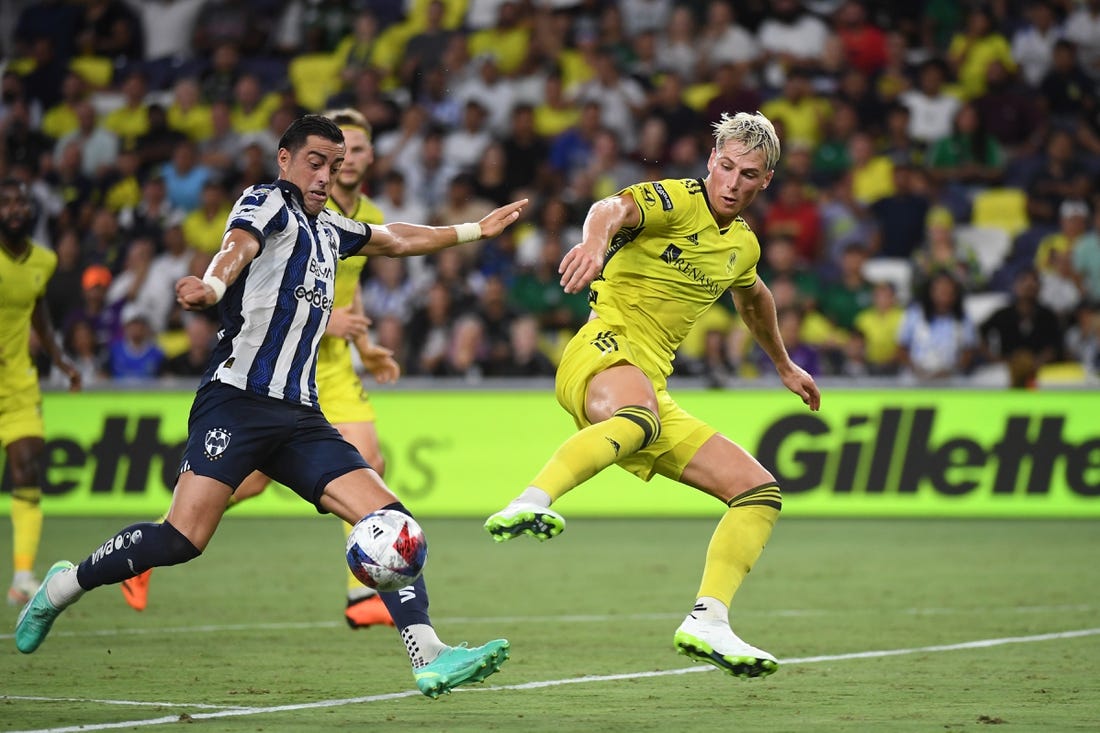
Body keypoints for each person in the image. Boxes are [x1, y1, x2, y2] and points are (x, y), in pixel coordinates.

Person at [15, 115, 527, 699]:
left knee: (392, 522)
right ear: (284, 159)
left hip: (300, 416)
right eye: (315, 162)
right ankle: (65, 585)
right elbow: (236, 248)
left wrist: (473, 231)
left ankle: (428, 654)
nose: (325, 175)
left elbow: (394, 239)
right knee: (181, 540)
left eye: (333, 167)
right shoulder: (266, 203)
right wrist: (211, 287)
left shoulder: (331, 228)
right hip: (235, 403)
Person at [484, 112, 820, 679]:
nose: (733, 183)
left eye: (749, 174)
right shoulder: (678, 200)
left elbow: (754, 298)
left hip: (648, 390)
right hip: (600, 350)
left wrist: (784, 365)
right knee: (637, 415)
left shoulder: (742, 245)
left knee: (758, 491)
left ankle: (708, 619)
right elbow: (611, 209)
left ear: (766, 182)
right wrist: (594, 243)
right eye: (727, 167)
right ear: (711, 162)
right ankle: (532, 500)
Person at [119, 108, 404, 630]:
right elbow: (245, 256)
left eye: (361, 151)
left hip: (330, 369)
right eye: (348, 150)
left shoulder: (363, 213)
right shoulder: (284, 203)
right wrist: (213, 287)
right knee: (245, 485)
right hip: (269, 370)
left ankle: (364, 592)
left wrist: (367, 345)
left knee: (370, 464)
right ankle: (150, 548)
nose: (355, 160)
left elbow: (349, 291)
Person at [1, 179, 82, 605]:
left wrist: (61, 359)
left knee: (28, 467)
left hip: (17, 382)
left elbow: (36, 310)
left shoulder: (44, 261)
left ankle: (21, 576)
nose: (15, 208)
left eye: (21, 202)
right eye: (7, 202)